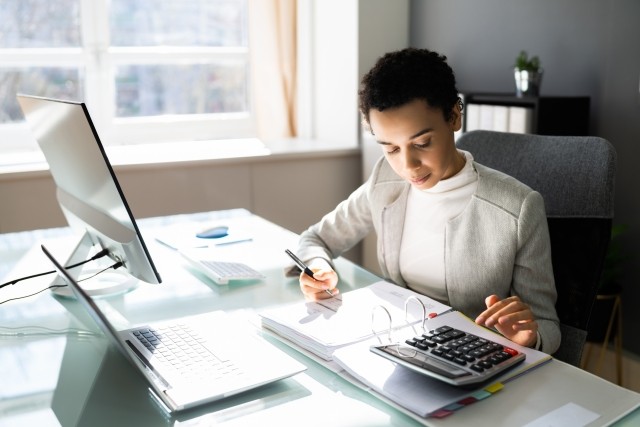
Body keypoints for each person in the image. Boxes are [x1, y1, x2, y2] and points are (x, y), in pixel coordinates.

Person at [290, 47, 561, 354]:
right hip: (397, 350)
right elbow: (315, 238)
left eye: (422, 143)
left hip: (475, 363)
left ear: (455, 116)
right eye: (391, 149)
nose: (408, 165)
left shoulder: (519, 208)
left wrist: (529, 337)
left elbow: (548, 325)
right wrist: (317, 269)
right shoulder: (386, 181)